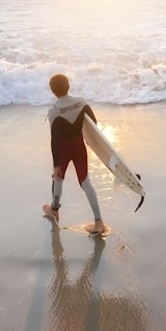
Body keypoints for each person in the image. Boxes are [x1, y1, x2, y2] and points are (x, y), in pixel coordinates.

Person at [43, 74, 105, 235]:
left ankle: (54, 210)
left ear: (52, 91)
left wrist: (57, 164)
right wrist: (91, 142)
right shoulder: (81, 102)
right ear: (68, 85)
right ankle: (99, 222)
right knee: (85, 182)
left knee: (58, 179)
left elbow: (55, 140)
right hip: (79, 147)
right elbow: (93, 124)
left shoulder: (54, 111)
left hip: (63, 151)